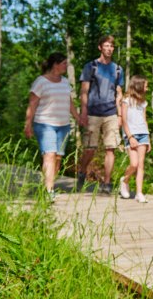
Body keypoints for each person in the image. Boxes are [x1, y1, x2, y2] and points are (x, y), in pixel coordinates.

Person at [23, 52, 80, 200]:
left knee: (58, 158)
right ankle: (49, 191)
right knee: (49, 155)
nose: (66, 66)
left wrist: (78, 117)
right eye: (64, 64)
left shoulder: (65, 82)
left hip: (63, 125)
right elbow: (32, 104)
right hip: (44, 123)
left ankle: (48, 184)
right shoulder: (40, 82)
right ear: (55, 64)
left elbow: (69, 102)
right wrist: (28, 124)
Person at [78, 35, 124, 195]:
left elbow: (119, 93)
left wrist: (119, 115)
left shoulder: (118, 69)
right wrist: (83, 111)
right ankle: (82, 172)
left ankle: (107, 182)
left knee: (110, 148)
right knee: (90, 149)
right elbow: (83, 91)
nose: (109, 49)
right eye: (106, 45)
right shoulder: (91, 67)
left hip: (111, 113)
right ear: (100, 47)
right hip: (93, 113)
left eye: (111, 46)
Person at [118, 75, 151, 202]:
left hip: (143, 135)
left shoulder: (143, 102)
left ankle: (139, 193)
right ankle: (125, 180)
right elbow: (124, 120)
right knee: (134, 164)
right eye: (145, 85)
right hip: (131, 135)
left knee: (141, 165)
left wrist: (148, 138)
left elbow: (144, 119)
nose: (147, 88)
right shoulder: (126, 100)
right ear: (138, 85)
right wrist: (130, 136)